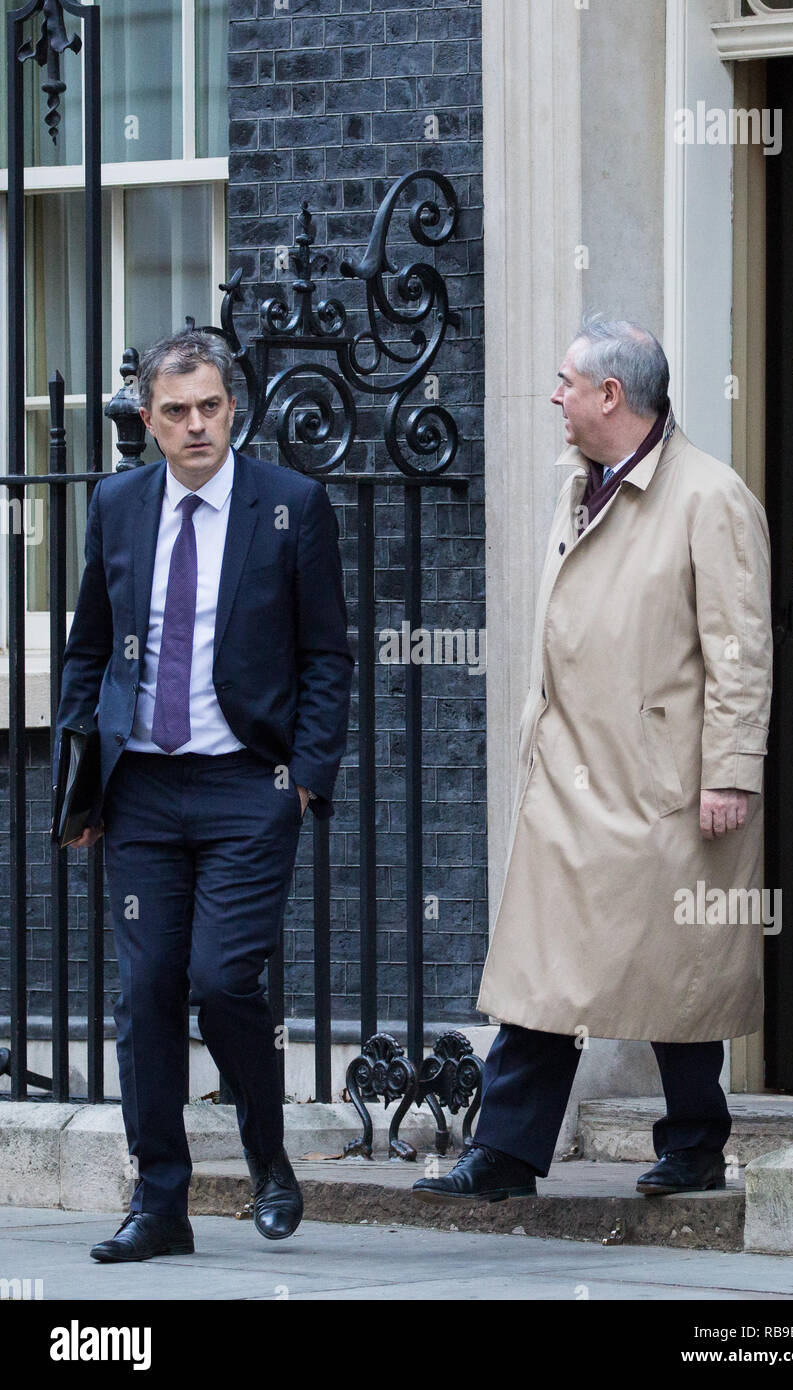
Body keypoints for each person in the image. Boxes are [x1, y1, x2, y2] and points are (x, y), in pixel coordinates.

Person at [413, 313, 773, 1206]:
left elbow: (740, 648)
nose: (555, 396)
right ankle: (504, 1154)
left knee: (673, 967)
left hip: (662, 778)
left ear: (612, 394)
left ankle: (694, 1142)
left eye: (567, 382)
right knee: (546, 967)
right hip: (573, 773)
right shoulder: (581, 486)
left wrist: (731, 769)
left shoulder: (709, 495)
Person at [51, 330, 353, 1261]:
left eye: (209, 407)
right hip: (139, 790)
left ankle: (267, 1158)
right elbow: (89, 649)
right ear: (148, 420)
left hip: (245, 788)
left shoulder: (292, 506)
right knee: (145, 992)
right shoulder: (117, 502)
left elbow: (326, 659)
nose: (194, 425)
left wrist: (302, 782)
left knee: (225, 982)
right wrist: (81, 784)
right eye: (175, 411)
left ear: (233, 409)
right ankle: (160, 1203)